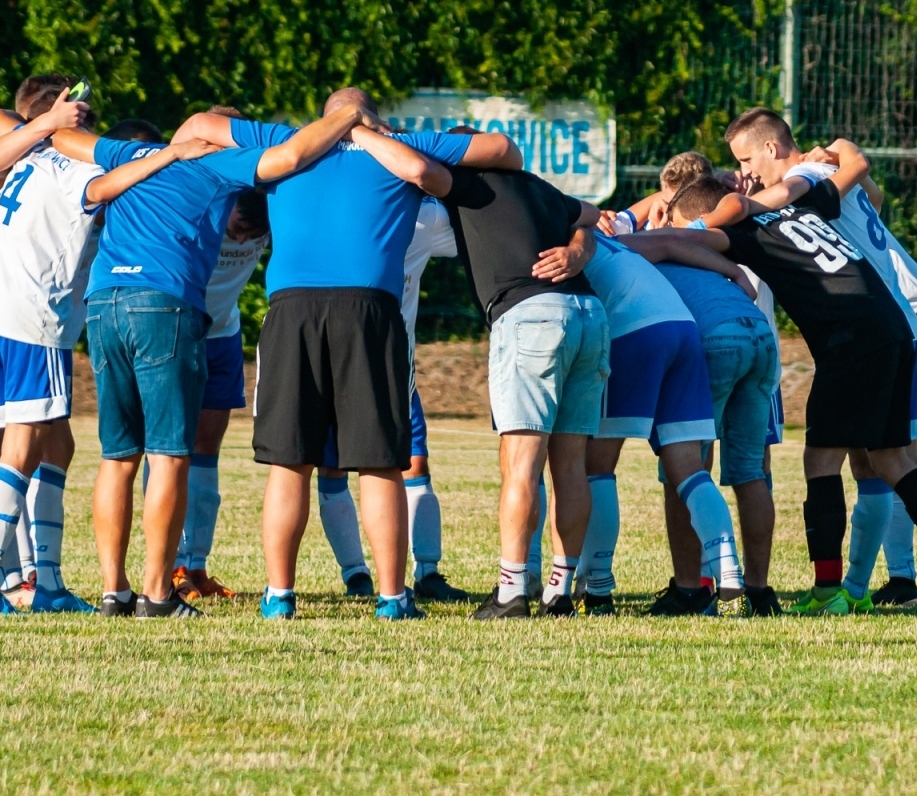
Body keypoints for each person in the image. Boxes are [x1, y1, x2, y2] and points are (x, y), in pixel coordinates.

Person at [171, 90, 519, 620]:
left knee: (289, 463)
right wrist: (371, 133)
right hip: (369, 310)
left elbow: (198, 122)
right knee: (380, 464)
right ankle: (391, 597)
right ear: (373, 112)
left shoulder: (285, 140)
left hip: (292, 309)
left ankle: (279, 596)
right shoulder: (401, 145)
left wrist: (338, 129)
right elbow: (504, 152)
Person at [654, 110, 917, 615]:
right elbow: (858, 180)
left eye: (747, 158)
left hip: (850, 337)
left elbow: (681, 240)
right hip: (895, 326)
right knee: (894, 457)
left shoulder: (742, 226)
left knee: (821, 461)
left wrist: (617, 241)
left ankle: (829, 591)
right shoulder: (809, 200)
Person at [51, 104, 368, 618]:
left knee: (117, 457)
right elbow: (292, 154)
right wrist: (348, 115)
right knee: (170, 455)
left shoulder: (132, 152)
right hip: (163, 303)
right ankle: (157, 593)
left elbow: (65, 139)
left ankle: (114, 591)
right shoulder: (219, 163)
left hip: (104, 300)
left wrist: (158, 153)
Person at [0, 78, 180, 615]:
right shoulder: (75, 167)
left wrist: (42, 126)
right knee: (21, 448)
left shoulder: (20, 155)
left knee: (59, 444)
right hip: (39, 319)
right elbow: (103, 189)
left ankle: (50, 582)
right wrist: (168, 155)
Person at [408, 159, 608, 619]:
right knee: (571, 464)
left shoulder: (464, 179)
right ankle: (559, 590)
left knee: (521, 464)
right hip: (588, 313)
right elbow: (591, 218)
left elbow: (418, 170)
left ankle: (512, 590)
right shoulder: (533, 184)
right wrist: (578, 251)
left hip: (529, 315)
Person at [571, 231, 746, 617]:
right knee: (689, 469)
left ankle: (597, 589)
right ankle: (729, 569)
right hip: (683, 329)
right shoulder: (615, 241)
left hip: (632, 330)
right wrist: (736, 272)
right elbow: (673, 244)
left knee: (597, 466)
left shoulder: (561, 238)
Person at [315, 193, 472, 603]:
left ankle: (428, 572)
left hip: (391, 364)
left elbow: (471, 230)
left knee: (413, 462)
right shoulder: (331, 204)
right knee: (332, 469)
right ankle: (356, 574)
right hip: (334, 356)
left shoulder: (424, 214)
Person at [624, 230, 784, 617]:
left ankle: (690, 589)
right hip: (758, 331)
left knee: (683, 467)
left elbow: (661, 245)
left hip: (713, 336)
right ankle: (759, 593)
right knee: (750, 470)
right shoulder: (698, 246)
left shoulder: (619, 245)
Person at [170, 189, 269, 602]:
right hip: (178, 328)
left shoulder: (268, 215)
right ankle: (170, 565)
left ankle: (197, 564)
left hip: (223, 334)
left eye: (254, 235)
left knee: (207, 448)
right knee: (169, 446)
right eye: (238, 230)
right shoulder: (196, 211)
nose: (243, 241)